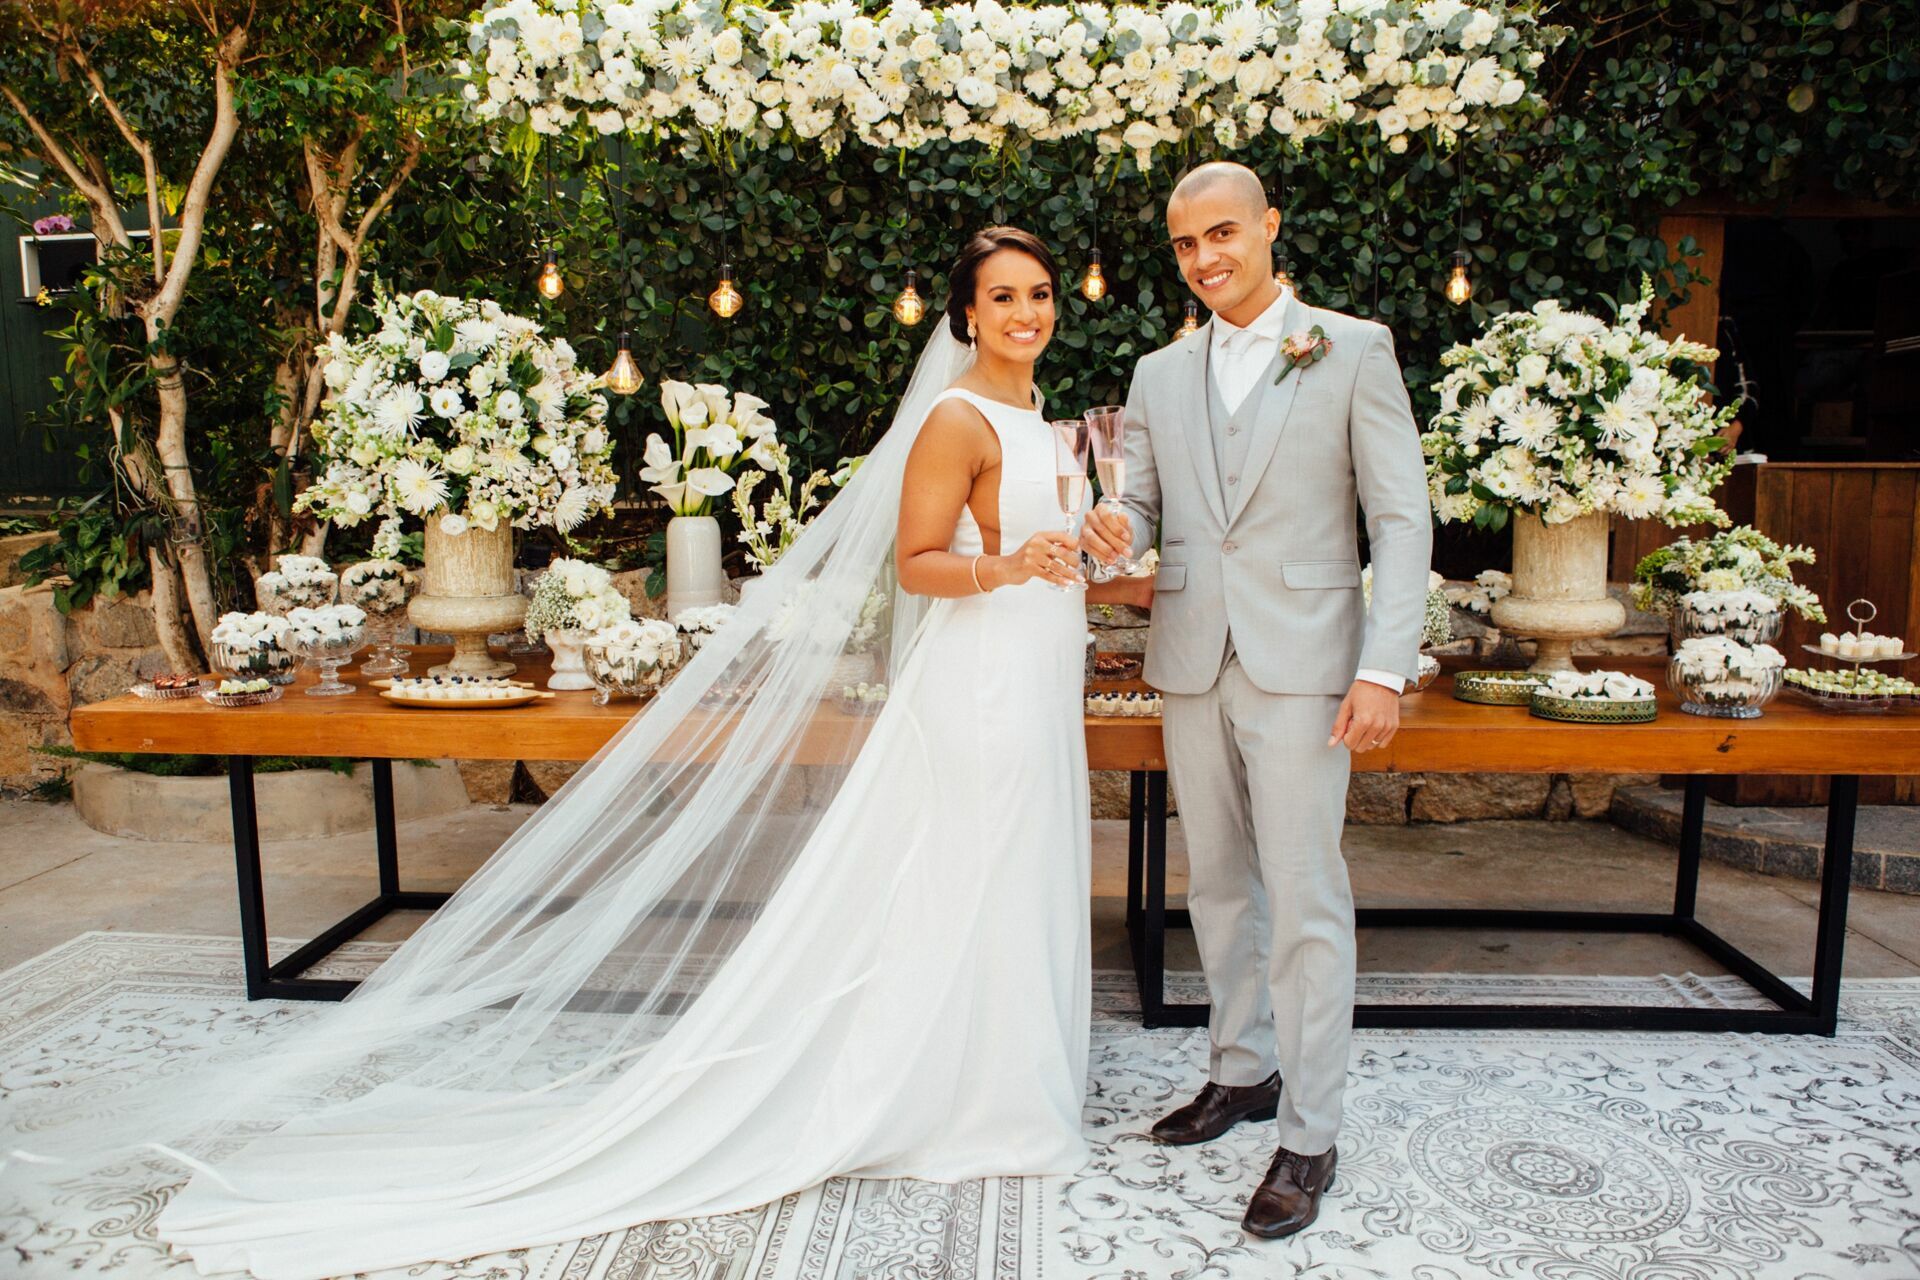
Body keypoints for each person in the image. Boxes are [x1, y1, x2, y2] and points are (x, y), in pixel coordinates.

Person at [0, 228, 1148, 1279]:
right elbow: (920, 565)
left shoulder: (1046, 421)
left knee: (1016, 868)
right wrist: (1008, 567)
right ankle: (953, 1093)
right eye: (1003, 296)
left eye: (1039, 294)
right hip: (978, 687)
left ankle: (1001, 1081)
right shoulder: (954, 420)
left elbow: (1055, 557)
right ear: (964, 313)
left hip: (1034, 672)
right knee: (964, 871)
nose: (1028, 311)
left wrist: (1092, 548)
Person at [1082, 161, 1432, 1240]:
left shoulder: (1352, 347)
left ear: (1270, 226)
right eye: (1186, 246)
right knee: (1221, 888)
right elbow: (1137, 503)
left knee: (1305, 896)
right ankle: (1242, 1073)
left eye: (1223, 234)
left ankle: (1311, 1133)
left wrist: (1383, 666)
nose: (1206, 260)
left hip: (1307, 664)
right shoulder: (1155, 372)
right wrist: (1115, 530)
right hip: (1191, 655)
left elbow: (1403, 518)